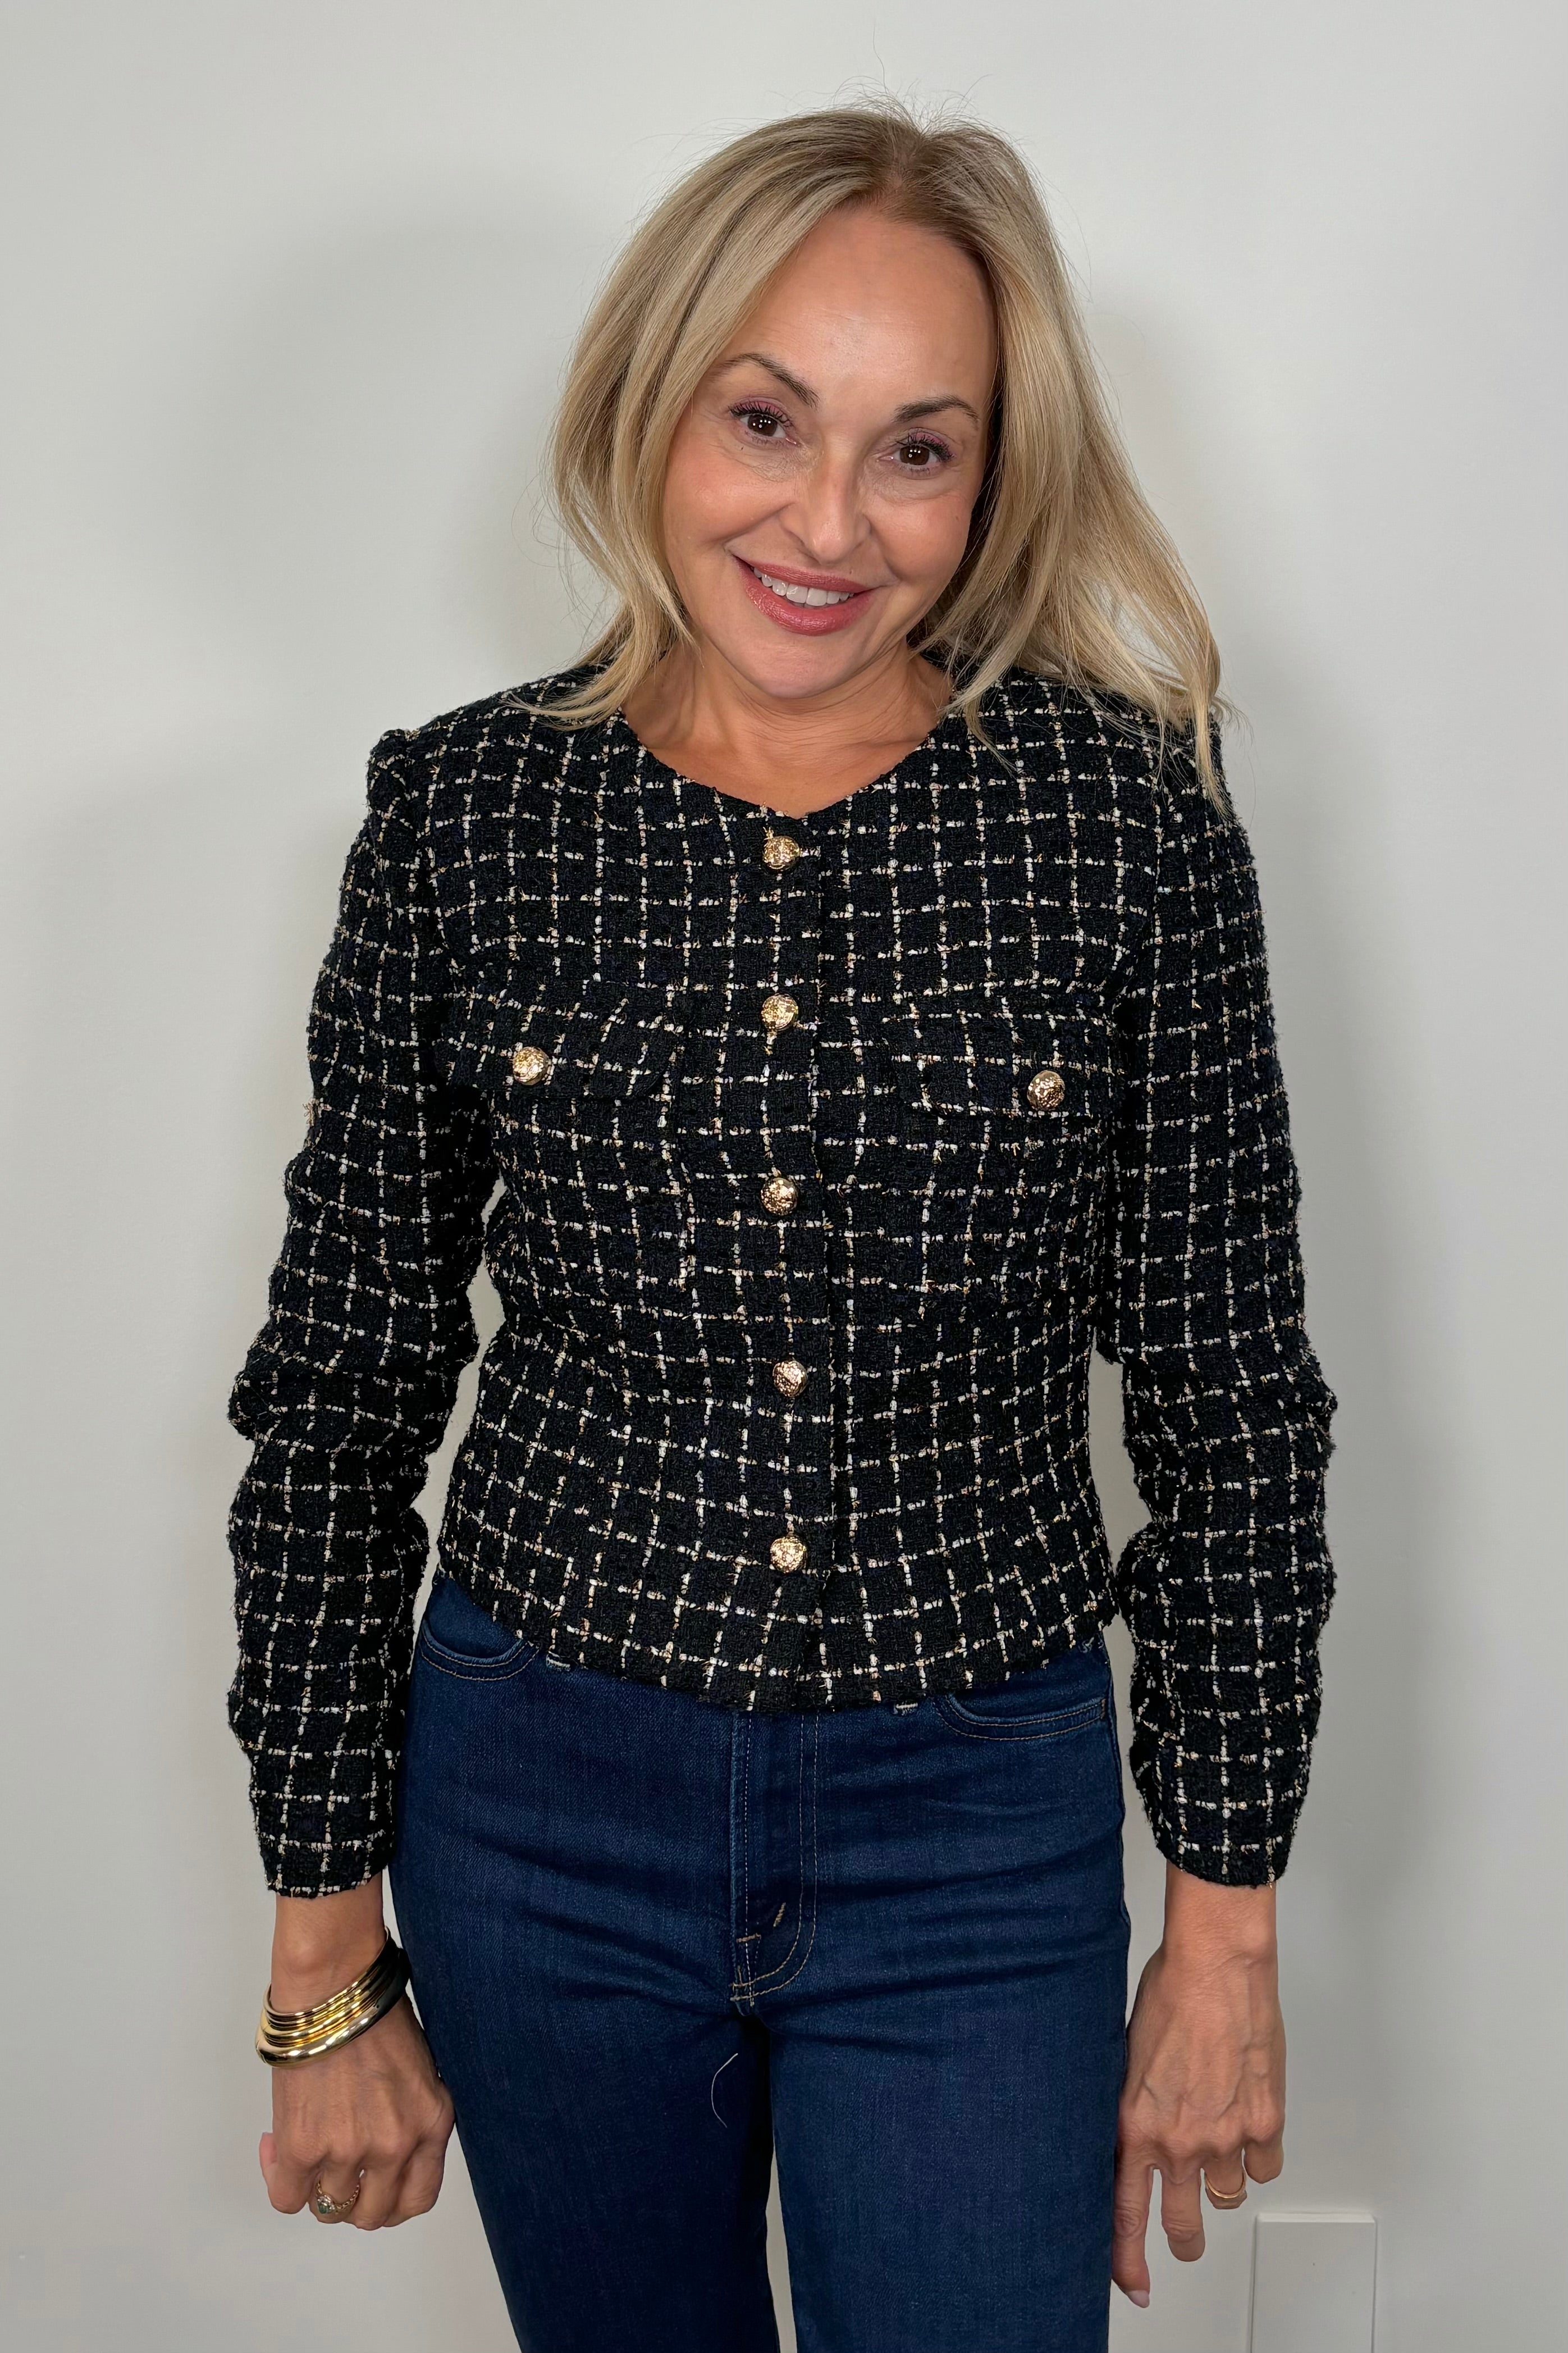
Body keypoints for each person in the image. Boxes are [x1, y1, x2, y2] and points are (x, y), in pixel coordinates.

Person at [228, 99, 1335, 2353]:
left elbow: (1232, 1405)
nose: (828, 521)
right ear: (652, 401)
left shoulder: (1125, 824)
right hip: (539, 1807)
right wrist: (320, 1947)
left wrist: (1222, 1938)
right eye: (766, 419)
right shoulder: (465, 814)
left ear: (991, 477)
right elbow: (340, 1394)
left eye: (916, 450)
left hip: (976, 1818)